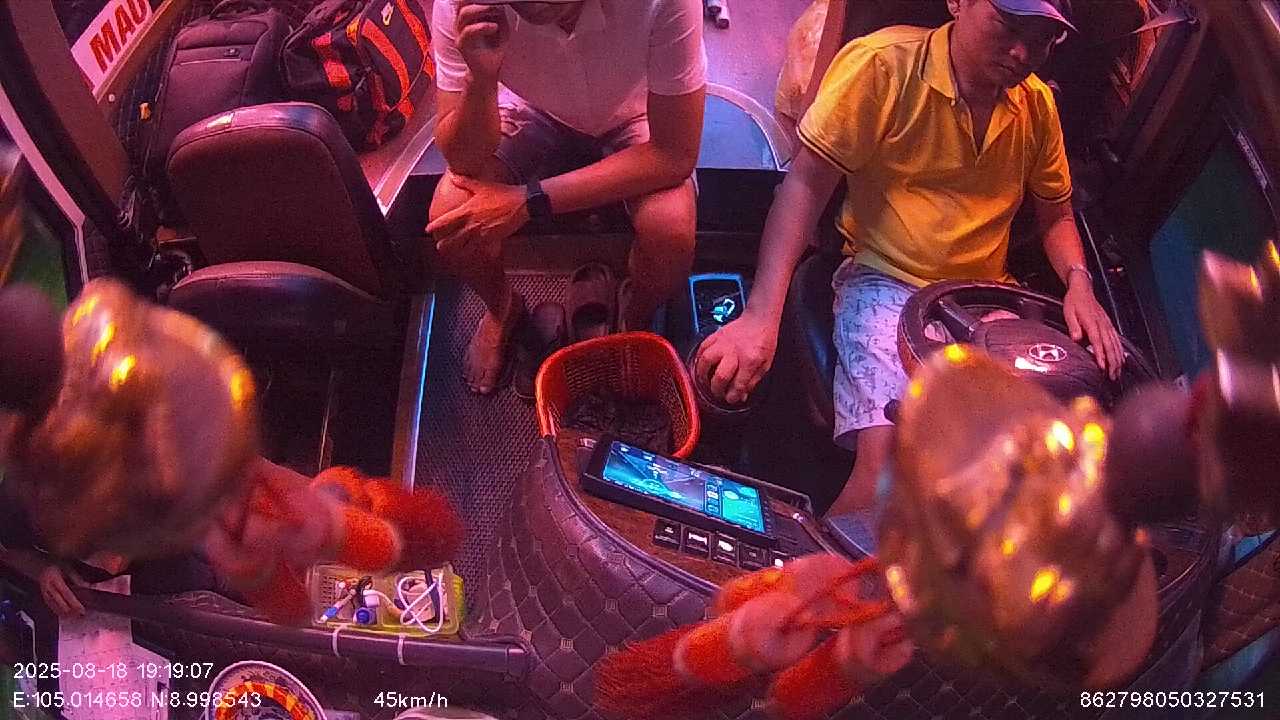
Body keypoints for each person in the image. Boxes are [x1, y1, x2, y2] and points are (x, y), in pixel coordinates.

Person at [696, 0, 1125, 522]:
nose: (1021, 53)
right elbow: (805, 186)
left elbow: (1056, 215)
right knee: (888, 475)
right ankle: (808, 568)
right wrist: (761, 317)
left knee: (1025, 470)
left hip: (982, 299)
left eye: (1040, 39)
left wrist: (1080, 283)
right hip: (884, 283)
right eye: (1008, 26)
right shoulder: (881, 67)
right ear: (958, 3)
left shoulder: (1036, 107)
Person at [426, 0, 707, 393]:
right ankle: (502, 308)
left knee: (670, 227)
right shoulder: (463, 7)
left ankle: (634, 316)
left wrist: (530, 200)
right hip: (529, 107)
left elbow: (674, 153)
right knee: (450, 211)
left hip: (638, 110)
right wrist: (481, 80)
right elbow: (463, 159)